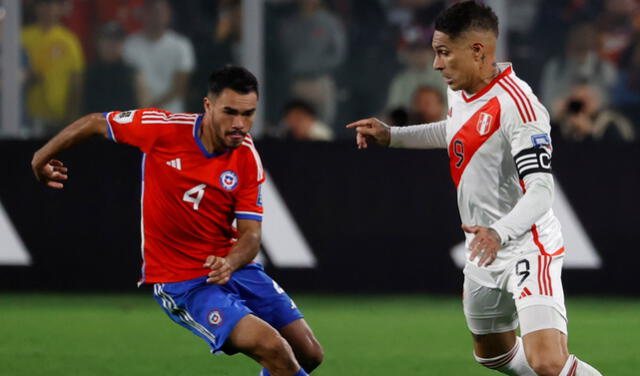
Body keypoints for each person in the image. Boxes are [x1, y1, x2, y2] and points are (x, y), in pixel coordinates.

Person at [347, 2, 603, 376]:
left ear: (478, 51)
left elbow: (542, 191)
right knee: (493, 355)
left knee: (547, 361)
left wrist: (500, 232)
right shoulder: (461, 90)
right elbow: (456, 132)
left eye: (444, 53)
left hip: (526, 244)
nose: (437, 64)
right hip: (483, 247)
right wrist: (393, 136)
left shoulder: (520, 107)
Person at [31, 66, 323, 376]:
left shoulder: (246, 157)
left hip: (231, 267)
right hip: (182, 280)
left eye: (248, 114)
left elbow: (251, 236)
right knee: (272, 347)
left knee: (309, 353)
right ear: (208, 106)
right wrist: (41, 157)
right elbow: (94, 123)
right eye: (230, 112)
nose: (240, 124)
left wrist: (230, 261)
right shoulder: (163, 129)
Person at [22, 0, 85, 136]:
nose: (47, 9)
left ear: (59, 8)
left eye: (52, 4)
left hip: (58, 119)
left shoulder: (69, 41)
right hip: (28, 117)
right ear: (36, 8)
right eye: (43, 4)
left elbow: (76, 83)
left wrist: (73, 120)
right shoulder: (23, 37)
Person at [122, 0, 195, 113]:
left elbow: (180, 87)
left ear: (168, 14)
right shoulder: (129, 45)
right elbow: (127, 83)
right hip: (137, 115)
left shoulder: (181, 45)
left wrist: (151, 107)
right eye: (151, 11)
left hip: (172, 115)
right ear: (143, 14)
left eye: (160, 12)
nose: (156, 16)